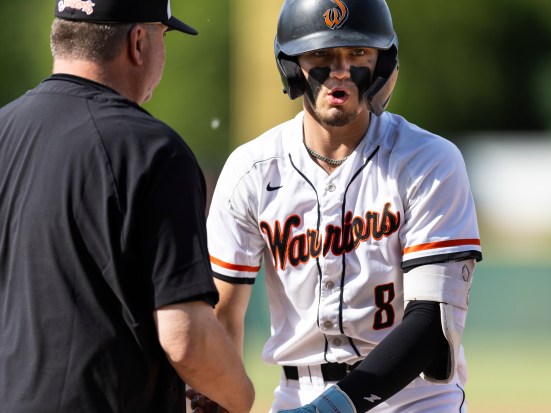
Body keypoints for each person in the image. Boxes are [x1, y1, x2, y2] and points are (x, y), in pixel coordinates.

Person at [205, 0, 482, 412]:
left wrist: (331, 409)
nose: (339, 70)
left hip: (413, 399)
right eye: (321, 54)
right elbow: (222, 318)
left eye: (357, 53)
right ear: (291, 64)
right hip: (297, 393)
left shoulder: (428, 160)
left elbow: (430, 328)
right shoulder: (252, 170)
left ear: (381, 65)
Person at [0, 1, 254, 412]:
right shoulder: (153, 151)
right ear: (138, 42)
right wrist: (239, 396)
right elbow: (184, 337)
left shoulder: (4, 132)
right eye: (162, 36)